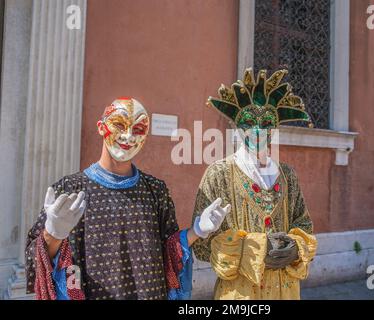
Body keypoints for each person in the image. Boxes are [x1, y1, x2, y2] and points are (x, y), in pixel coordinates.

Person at [25, 97, 230, 300]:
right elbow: (36, 262)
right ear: (100, 127)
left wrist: (197, 231)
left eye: (138, 129)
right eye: (119, 125)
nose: (129, 136)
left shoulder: (155, 190)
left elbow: (169, 252)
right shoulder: (69, 190)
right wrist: (52, 234)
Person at [191, 68, 318, 300]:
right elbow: (201, 247)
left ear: (275, 128)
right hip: (241, 295)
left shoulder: (287, 174)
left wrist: (294, 247)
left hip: (285, 291)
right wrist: (255, 249)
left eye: (267, 122)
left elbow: (304, 224)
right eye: (250, 122)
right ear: (239, 127)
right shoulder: (219, 174)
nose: (259, 130)